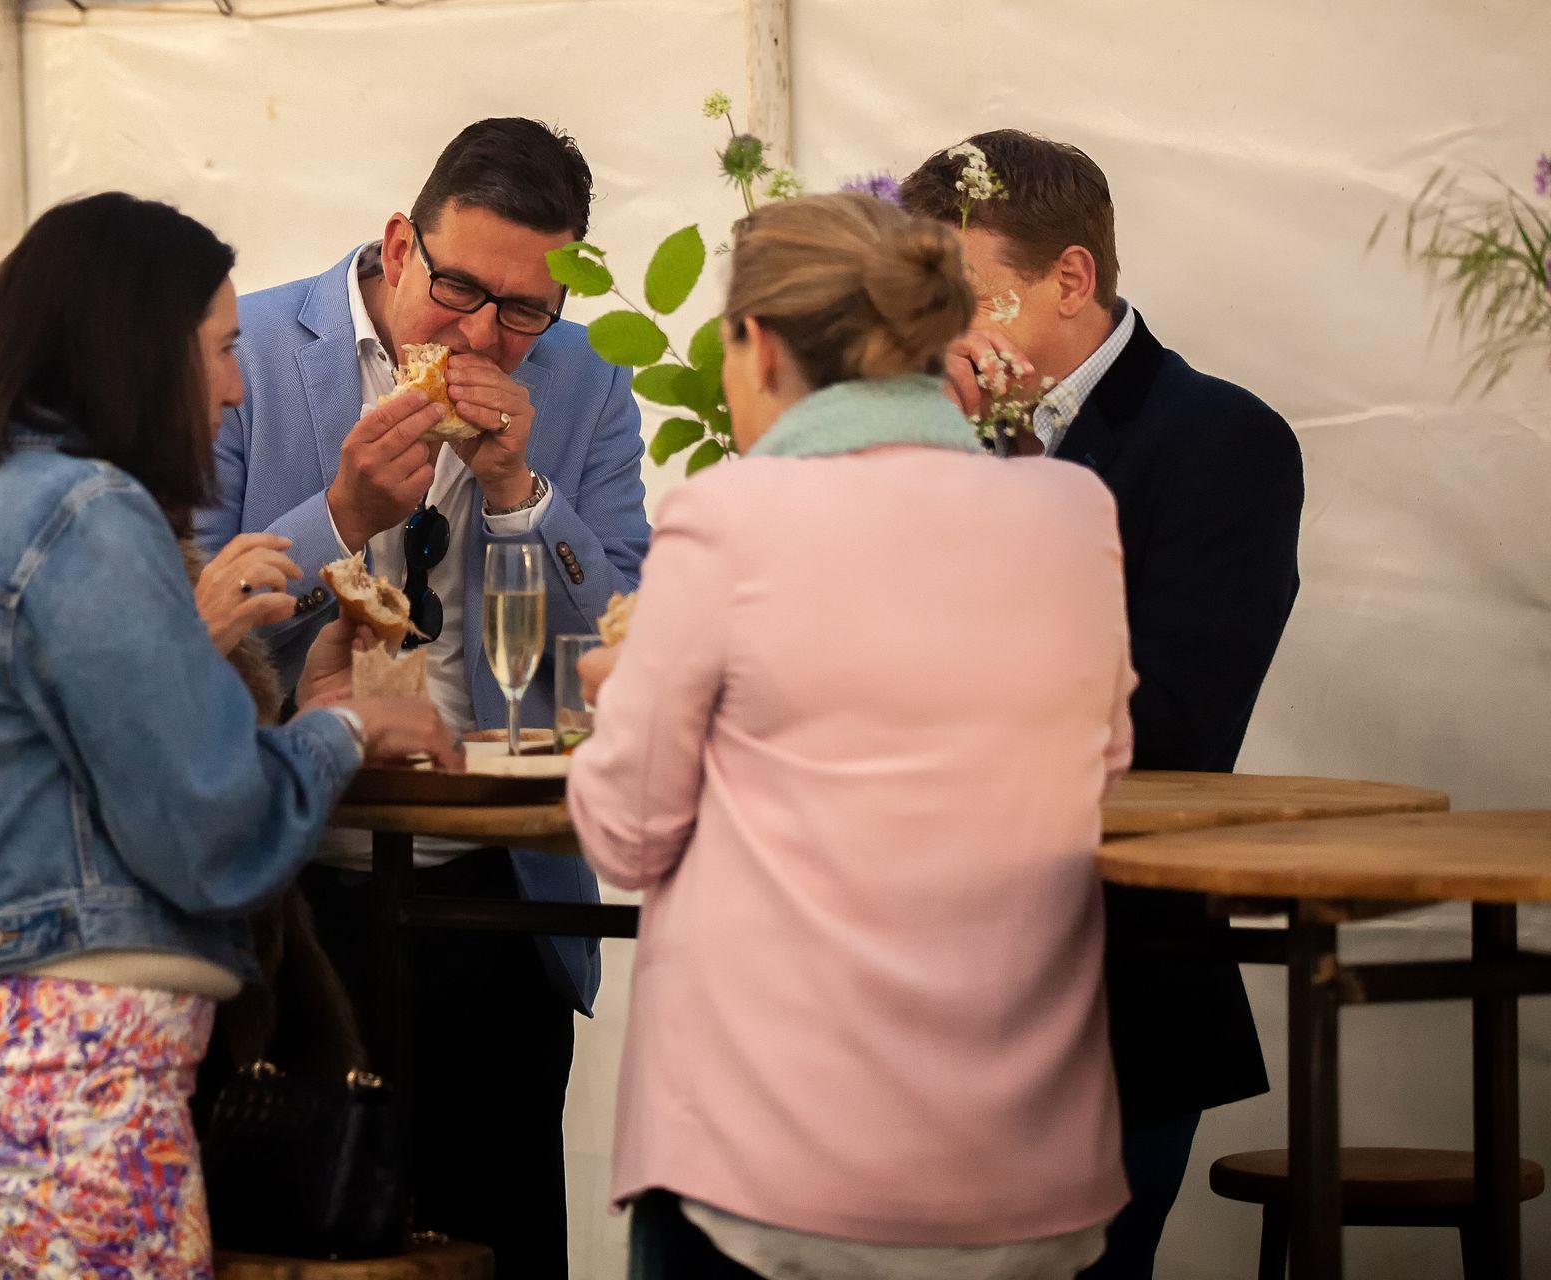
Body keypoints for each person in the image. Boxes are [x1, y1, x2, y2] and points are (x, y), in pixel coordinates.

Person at [0, 192, 459, 1278]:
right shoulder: (88, 513)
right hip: (62, 1084)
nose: (235, 383)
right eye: (219, 349)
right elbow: (213, 825)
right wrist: (341, 729)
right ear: (138, 350)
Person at [569, 191, 1135, 1280]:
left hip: (774, 1175)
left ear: (759, 344)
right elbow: (1095, 770)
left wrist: (622, 690)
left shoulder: (728, 517)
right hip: (1027, 1178)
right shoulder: (1074, 515)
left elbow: (627, 834)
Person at [198, 117, 650, 1275]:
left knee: (493, 1239)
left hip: (493, 888)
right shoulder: (235, 350)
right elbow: (177, 619)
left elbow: (627, 634)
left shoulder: (590, 381)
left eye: (524, 310)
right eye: (457, 289)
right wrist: (339, 514)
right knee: (304, 1237)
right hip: (290, 886)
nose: (482, 331)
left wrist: (520, 492)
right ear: (401, 243)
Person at [900, 131, 1306, 1279]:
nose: (939, 342)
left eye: (965, 303)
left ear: (1071, 280)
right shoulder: (914, 438)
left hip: (1108, 987)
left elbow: (1177, 719)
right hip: (910, 991)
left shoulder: (1224, 443)